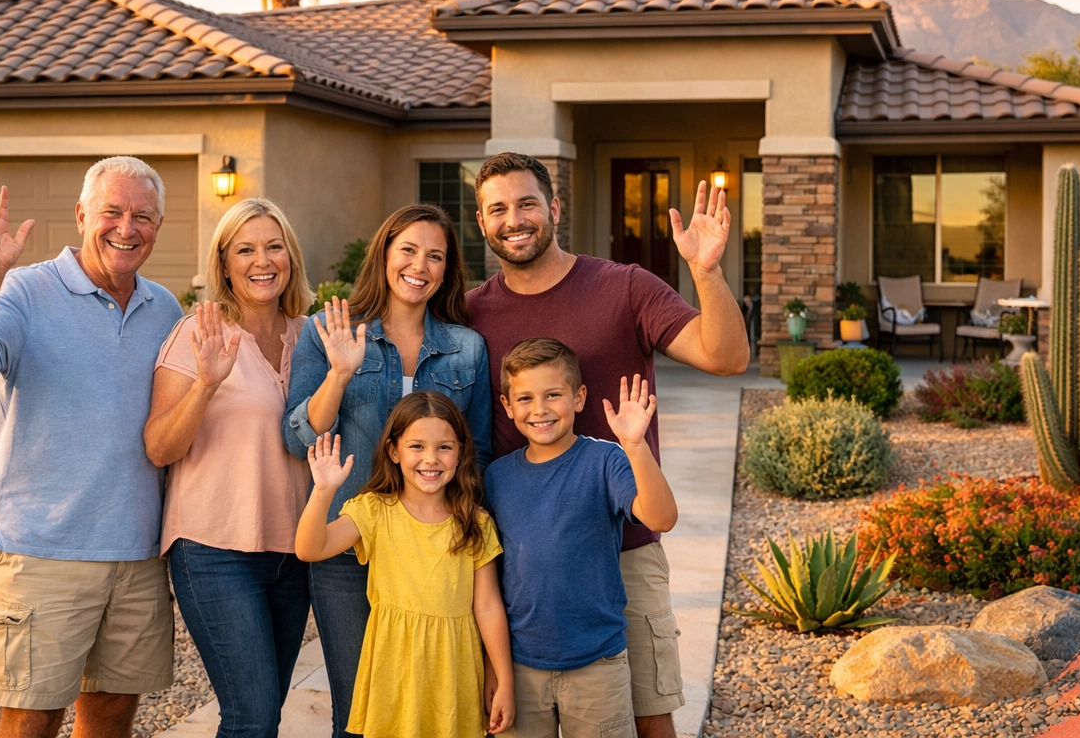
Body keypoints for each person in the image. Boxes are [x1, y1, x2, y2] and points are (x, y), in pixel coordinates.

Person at [467, 153, 749, 738]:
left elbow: (726, 357)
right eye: (498, 208)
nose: (514, 219)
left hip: (626, 549)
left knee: (647, 716)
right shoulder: (470, 314)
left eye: (527, 203)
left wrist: (707, 271)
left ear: (555, 209)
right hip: (525, 564)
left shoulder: (623, 287)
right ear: (480, 221)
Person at [0, 156, 181, 738]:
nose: (127, 228)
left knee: (113, 711)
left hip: (137, 554)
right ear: (80, 216)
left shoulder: (165, 308)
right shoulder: (24, 290)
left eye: (143, 216)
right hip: (42, 550)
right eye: (112, 212)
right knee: (31, 716)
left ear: (159, 227)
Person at [283, 203, 494, 737]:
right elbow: (297, 438)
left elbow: (480, 451)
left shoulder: (467, 349)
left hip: (433, 551)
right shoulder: (329, 331)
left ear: (448, 270)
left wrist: (467, 533)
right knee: (359, 708)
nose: (419, 265)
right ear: (384, 253)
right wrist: (339, 373)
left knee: (431, 702)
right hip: (350, 540)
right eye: (408, 250)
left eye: (435, 256)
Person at [145, 198, 314, 738]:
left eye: (273, 246)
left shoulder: (310, 336)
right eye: (245, 249)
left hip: (294, 554)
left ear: (290, 256)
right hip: (214, 552)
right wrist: (206, 385)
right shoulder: (196, 335)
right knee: (252, 715)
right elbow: (159, 447)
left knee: (264, 713)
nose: (261, 261)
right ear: (223, 264)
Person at [485, 339, 678, 738]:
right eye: (525, 398)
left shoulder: (605, 461)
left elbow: (662, 516)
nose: (539, 409)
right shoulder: (497, 478)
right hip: (521, 666)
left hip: (598, 666)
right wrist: (495, 670)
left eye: (553, 395)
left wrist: (636, 446)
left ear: (579, 397)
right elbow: (489, 581)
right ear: (507, 407)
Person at [295, 392, 513, 738]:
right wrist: (322, 491)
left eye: (444, 447)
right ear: (394, 451)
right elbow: (310, 549)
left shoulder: (475, 521)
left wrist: (503, 679)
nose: (431, 458)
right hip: (394, 671)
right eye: (417, 447)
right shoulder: (374, 510)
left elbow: (487, 606)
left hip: (453, 672)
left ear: (460, 453)